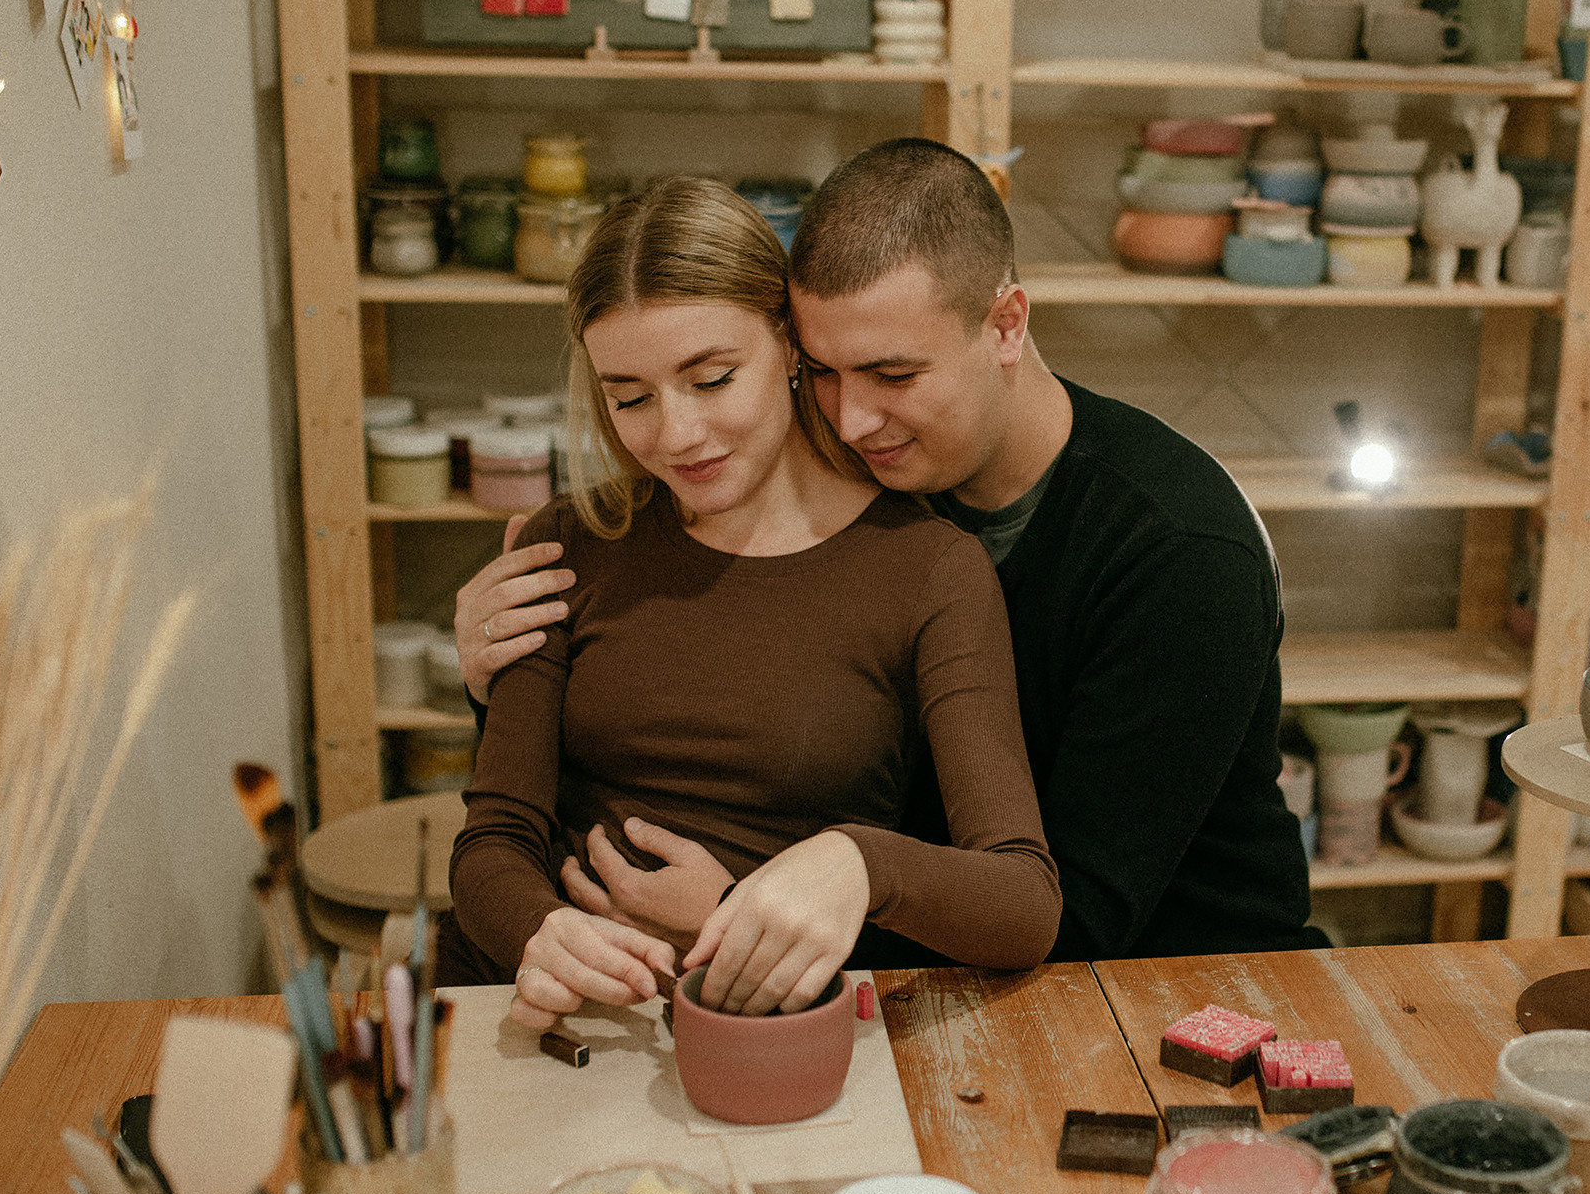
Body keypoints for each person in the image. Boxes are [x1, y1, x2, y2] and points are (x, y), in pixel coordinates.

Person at [457, 140, 1313, 962]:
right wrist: (498, 676)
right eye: (825, 373)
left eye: (893, 376)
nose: (851, 418)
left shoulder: (1180, 552)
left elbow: (1074, 920)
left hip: (1177, 973)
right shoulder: (890, 472)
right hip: (887, 958)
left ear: (1006, 325)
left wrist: (748, 915)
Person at [445, 176, 1059, 1026]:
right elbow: (493, 841)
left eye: (713, 378)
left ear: (791, 346)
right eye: (629, 397)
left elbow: (1022, 902)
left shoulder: (929, 570)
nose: (676, 434)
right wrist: (540, 931)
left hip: (767, 1028)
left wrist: (859, 864)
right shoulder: (571, 544)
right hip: (558, 1018)